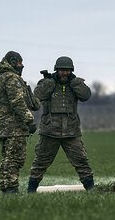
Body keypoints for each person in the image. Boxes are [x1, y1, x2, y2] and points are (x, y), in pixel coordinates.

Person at [28, 56, 94, 192]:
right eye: (62, 70)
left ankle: (91, 190)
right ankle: (31, 191)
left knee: (81, 161)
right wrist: (48, 83)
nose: (65, 73)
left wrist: (75, 83)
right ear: (56, 70)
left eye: (68, 70)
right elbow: (36, 96)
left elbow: (86, 96)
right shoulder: (47, 82)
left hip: (71, 131)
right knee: (40, 163)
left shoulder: (75, 84)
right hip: (50, 131)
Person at [0, 50, 39, 194]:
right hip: (13, 126)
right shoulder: (12, 78)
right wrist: (29, 120)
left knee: (7, 157)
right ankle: (11, 190)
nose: (22, 65)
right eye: (19, 62)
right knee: (15, 158)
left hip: (2, 125)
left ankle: (6, 187)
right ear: (12, 62)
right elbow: (17, 102)